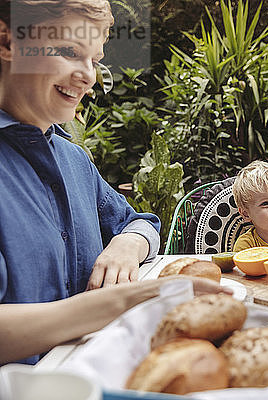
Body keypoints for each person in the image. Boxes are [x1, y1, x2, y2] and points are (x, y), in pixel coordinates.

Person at [0, 0, 230, 365]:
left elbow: (141, 222)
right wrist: (130, 299)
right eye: (70, 51)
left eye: (94, 60)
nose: (89, 76)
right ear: (8, 41)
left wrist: (127, 243)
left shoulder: (74, 160)